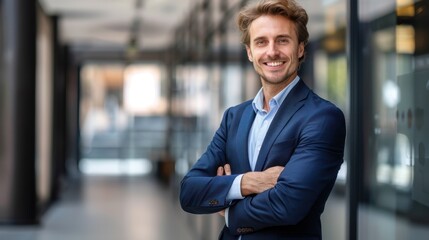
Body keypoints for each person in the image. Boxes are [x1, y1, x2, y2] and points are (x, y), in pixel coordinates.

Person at [179, 0, 346, 239]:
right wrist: (248, 182)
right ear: (249, 52)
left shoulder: (322, 118)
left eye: (282, 40)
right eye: (261, 42)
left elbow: (288, 205)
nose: (271, 51)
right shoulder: (234, 117)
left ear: (300, 48)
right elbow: (189, 192)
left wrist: (228, 208)